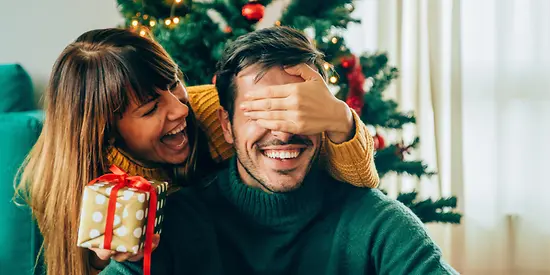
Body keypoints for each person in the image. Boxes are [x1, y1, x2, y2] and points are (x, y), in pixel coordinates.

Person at [16, 28, 379, 275]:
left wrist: (340, 117)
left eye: (174, 84)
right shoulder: (80, 187)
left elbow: (359, 184)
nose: (178, 110)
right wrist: (101, 263)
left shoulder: (216, 113)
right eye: (149, 109)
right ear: (106, 133)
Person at [101, 26, 458, 275]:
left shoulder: (379, 225)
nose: (283, 130)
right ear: (225, 124)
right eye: (260, 112)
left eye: (296, 109)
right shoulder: (173, 226)